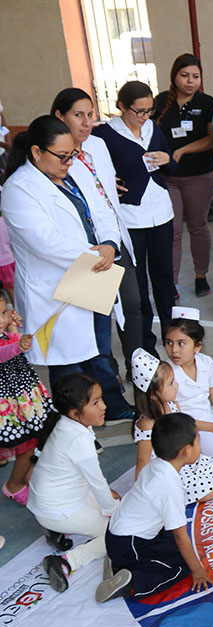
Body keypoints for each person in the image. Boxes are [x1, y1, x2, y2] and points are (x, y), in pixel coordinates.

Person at [1, 115, 134, 421]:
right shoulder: (19, 188)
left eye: (72, 154)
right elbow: (44, 241)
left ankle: (107, 407)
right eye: (62, 156)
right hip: (55, 289)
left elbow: (101, 210)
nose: (69, 162)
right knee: (68, 366)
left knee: (99, 349)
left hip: (93, 274)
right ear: (37, 152)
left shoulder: (73, 175)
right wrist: (94, 252)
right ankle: (72, 423)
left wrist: (110, 245)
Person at [51, 87, 145, 369]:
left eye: (90, 115)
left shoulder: (97, 145)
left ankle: (137, 368)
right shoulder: (56, 158)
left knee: (133, 304)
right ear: (59, 116)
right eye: (78, 115)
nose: (86, 122)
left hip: (114, 236)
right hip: (89, 247)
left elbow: (103, 188)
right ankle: (108, 377)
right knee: (97, 314)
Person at [92, 81, 177, 346]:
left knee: (165, 280)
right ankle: (144, 347)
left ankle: (173, 337)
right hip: (130, 218)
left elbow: (171, 166)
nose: (144, 116)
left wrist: (168, 160)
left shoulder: (153, 127)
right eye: (138, 111)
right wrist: (106, 183)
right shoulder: (105, 135)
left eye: (149, 110)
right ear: (120, 107)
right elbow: (91, 170)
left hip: (161, 213)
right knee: (137, 288)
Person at [98, 412, 211, 602]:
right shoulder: (168, 486)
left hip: (119, 535)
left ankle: (117, 563)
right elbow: (180, 535)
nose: (200, 446)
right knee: (181, 565)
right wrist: (197, 570)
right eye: (197, 441)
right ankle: (132, 582)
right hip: (128, 545)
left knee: (179, 546)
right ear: (187, 450)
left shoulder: (156, 464)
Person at [28, 374, 112, 593]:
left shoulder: (69, 423)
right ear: (75, 413)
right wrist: (114, 510)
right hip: (58, 507)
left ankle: (55, 531)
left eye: (100, 399)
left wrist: (110, 502)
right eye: (95, 403)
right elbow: (98, 484)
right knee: (118, 530)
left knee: (114, 505)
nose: (103, 406)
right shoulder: (77, 439)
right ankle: (66, 562)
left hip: (54, 499)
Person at [154, 54, 213, 296]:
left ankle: (201, 275)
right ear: (174, 76)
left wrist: (182, 150)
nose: (190, 81)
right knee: (172, 231)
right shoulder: (161, 102)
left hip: (199, 176)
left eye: (195, 76)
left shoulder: (208, 103)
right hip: (167, 178)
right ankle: (171, 282)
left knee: (198, 226)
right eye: (185, 75)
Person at [131, 348, 213, 504]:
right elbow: (143, 462)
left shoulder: (173, 406)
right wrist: (143, 494)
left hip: (181, 461)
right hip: (164, 472)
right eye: (171, 383)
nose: (177, 385)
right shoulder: (147, 425)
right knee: (208, 493)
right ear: (153, 395)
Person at [164, 307, 213, 464]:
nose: (174, 350)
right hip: (188, 427)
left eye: (181, 344)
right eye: (169, 343)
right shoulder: (166, 373)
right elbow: (176, 419)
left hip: (210, 415)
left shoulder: (206, 362)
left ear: (198, 346)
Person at [0, 291, 53, 503]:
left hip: (22, 399)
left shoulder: (3, 329)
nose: (2, 319)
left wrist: (13, 326)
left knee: (33, 439)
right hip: (9, 406)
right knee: (28, 444)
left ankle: (26, 474)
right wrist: (17, 344)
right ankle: (14, 484)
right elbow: (4, 353)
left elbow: (12, 340)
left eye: (3, 312)